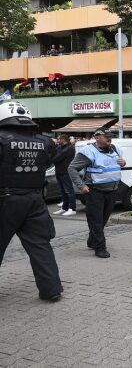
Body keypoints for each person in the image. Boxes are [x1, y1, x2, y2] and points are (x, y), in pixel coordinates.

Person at [0, 102, 62, 302]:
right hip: (35, 199)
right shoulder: (46, 141)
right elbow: (48, 162)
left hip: (5, 200)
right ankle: (51, 290)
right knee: (40, 246)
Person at [68, 129, 126, 258]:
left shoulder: (115, 148)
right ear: (97, 138)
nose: (110, 139)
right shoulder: (88, 151)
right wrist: (81, 186)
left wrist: (123, 163)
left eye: (110, 137)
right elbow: (72, 168)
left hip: (112, 190)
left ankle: (92, 240)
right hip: (95, 191)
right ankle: (100, 247)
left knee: (103, 219)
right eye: (107, 137)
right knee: (96, 221)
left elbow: (117, 165)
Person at [52, 134, 77, 216]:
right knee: (63, 191)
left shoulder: (69, 148)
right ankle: (64, 207)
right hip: (59, 171)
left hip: (66, 172)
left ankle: (72, 208)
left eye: (59, 139)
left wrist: (54, 155)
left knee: (69, 191)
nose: (57, 141)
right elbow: (54, 156)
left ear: (63, 139)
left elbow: (56, 158)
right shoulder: (60, 147)